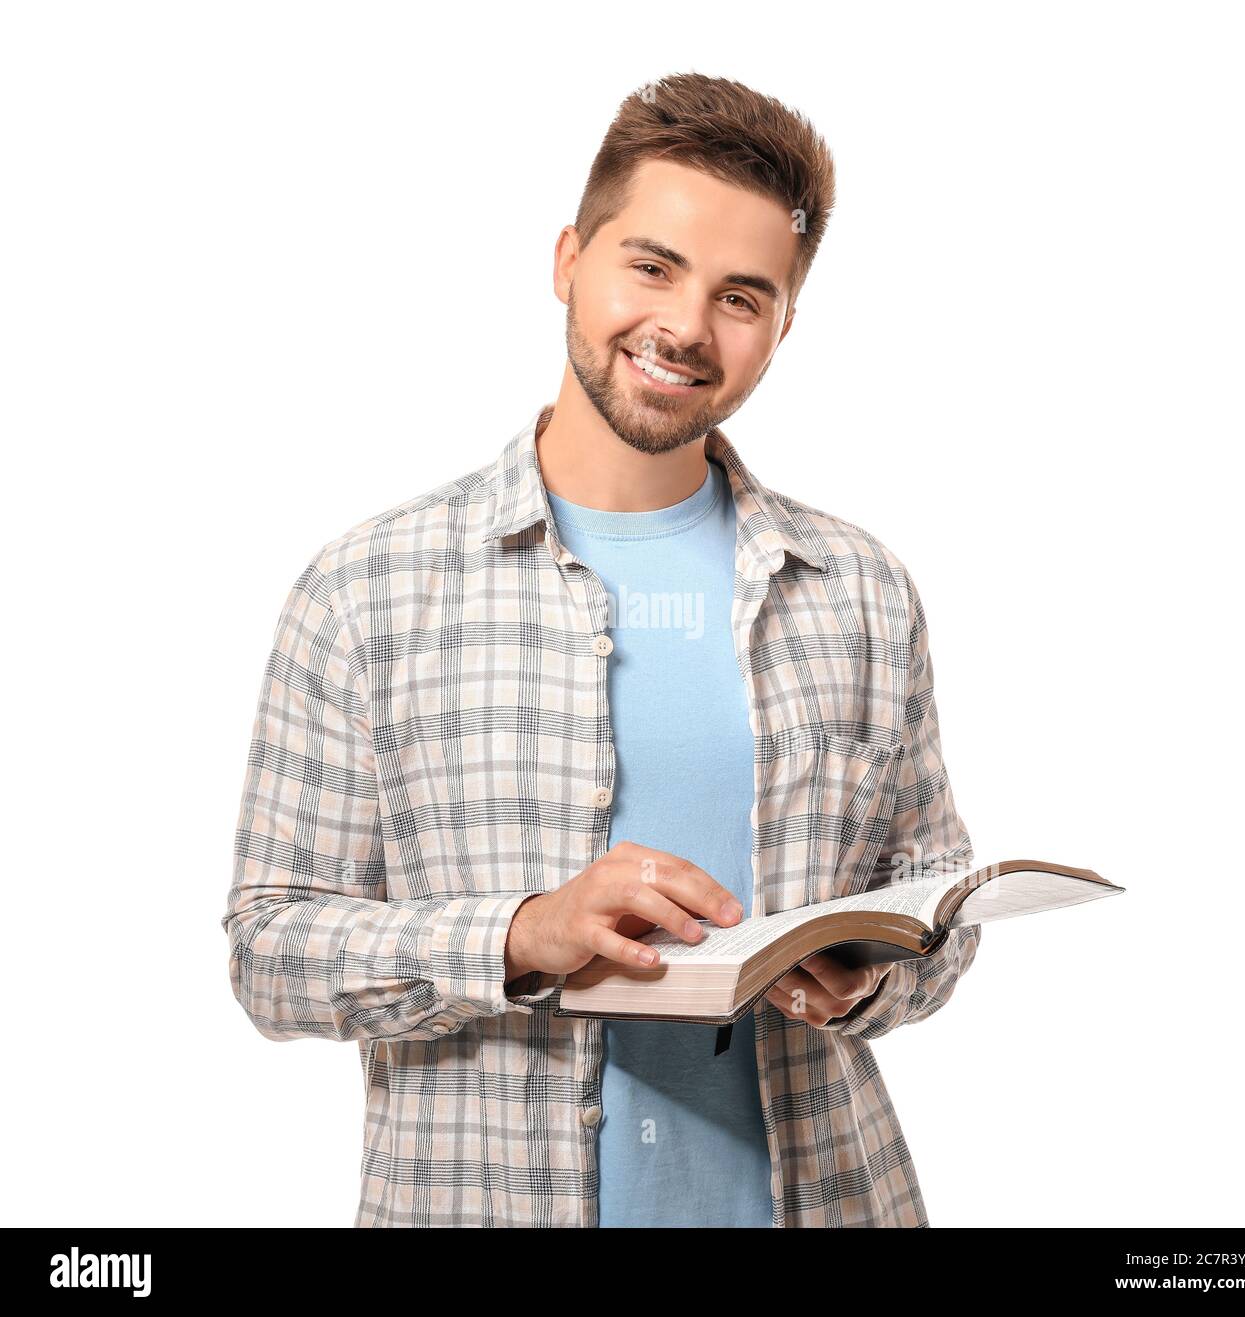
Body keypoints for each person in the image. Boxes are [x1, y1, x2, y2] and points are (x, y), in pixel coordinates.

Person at [222, 71, 981, 1228]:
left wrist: (878, 972)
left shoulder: (858, 591)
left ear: (782, 327)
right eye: (652, 265)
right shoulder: (366, 589)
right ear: (569, 258)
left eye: (742, 296)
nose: (683, 326)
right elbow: (271, 952)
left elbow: (937, 912)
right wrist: (524, 935)